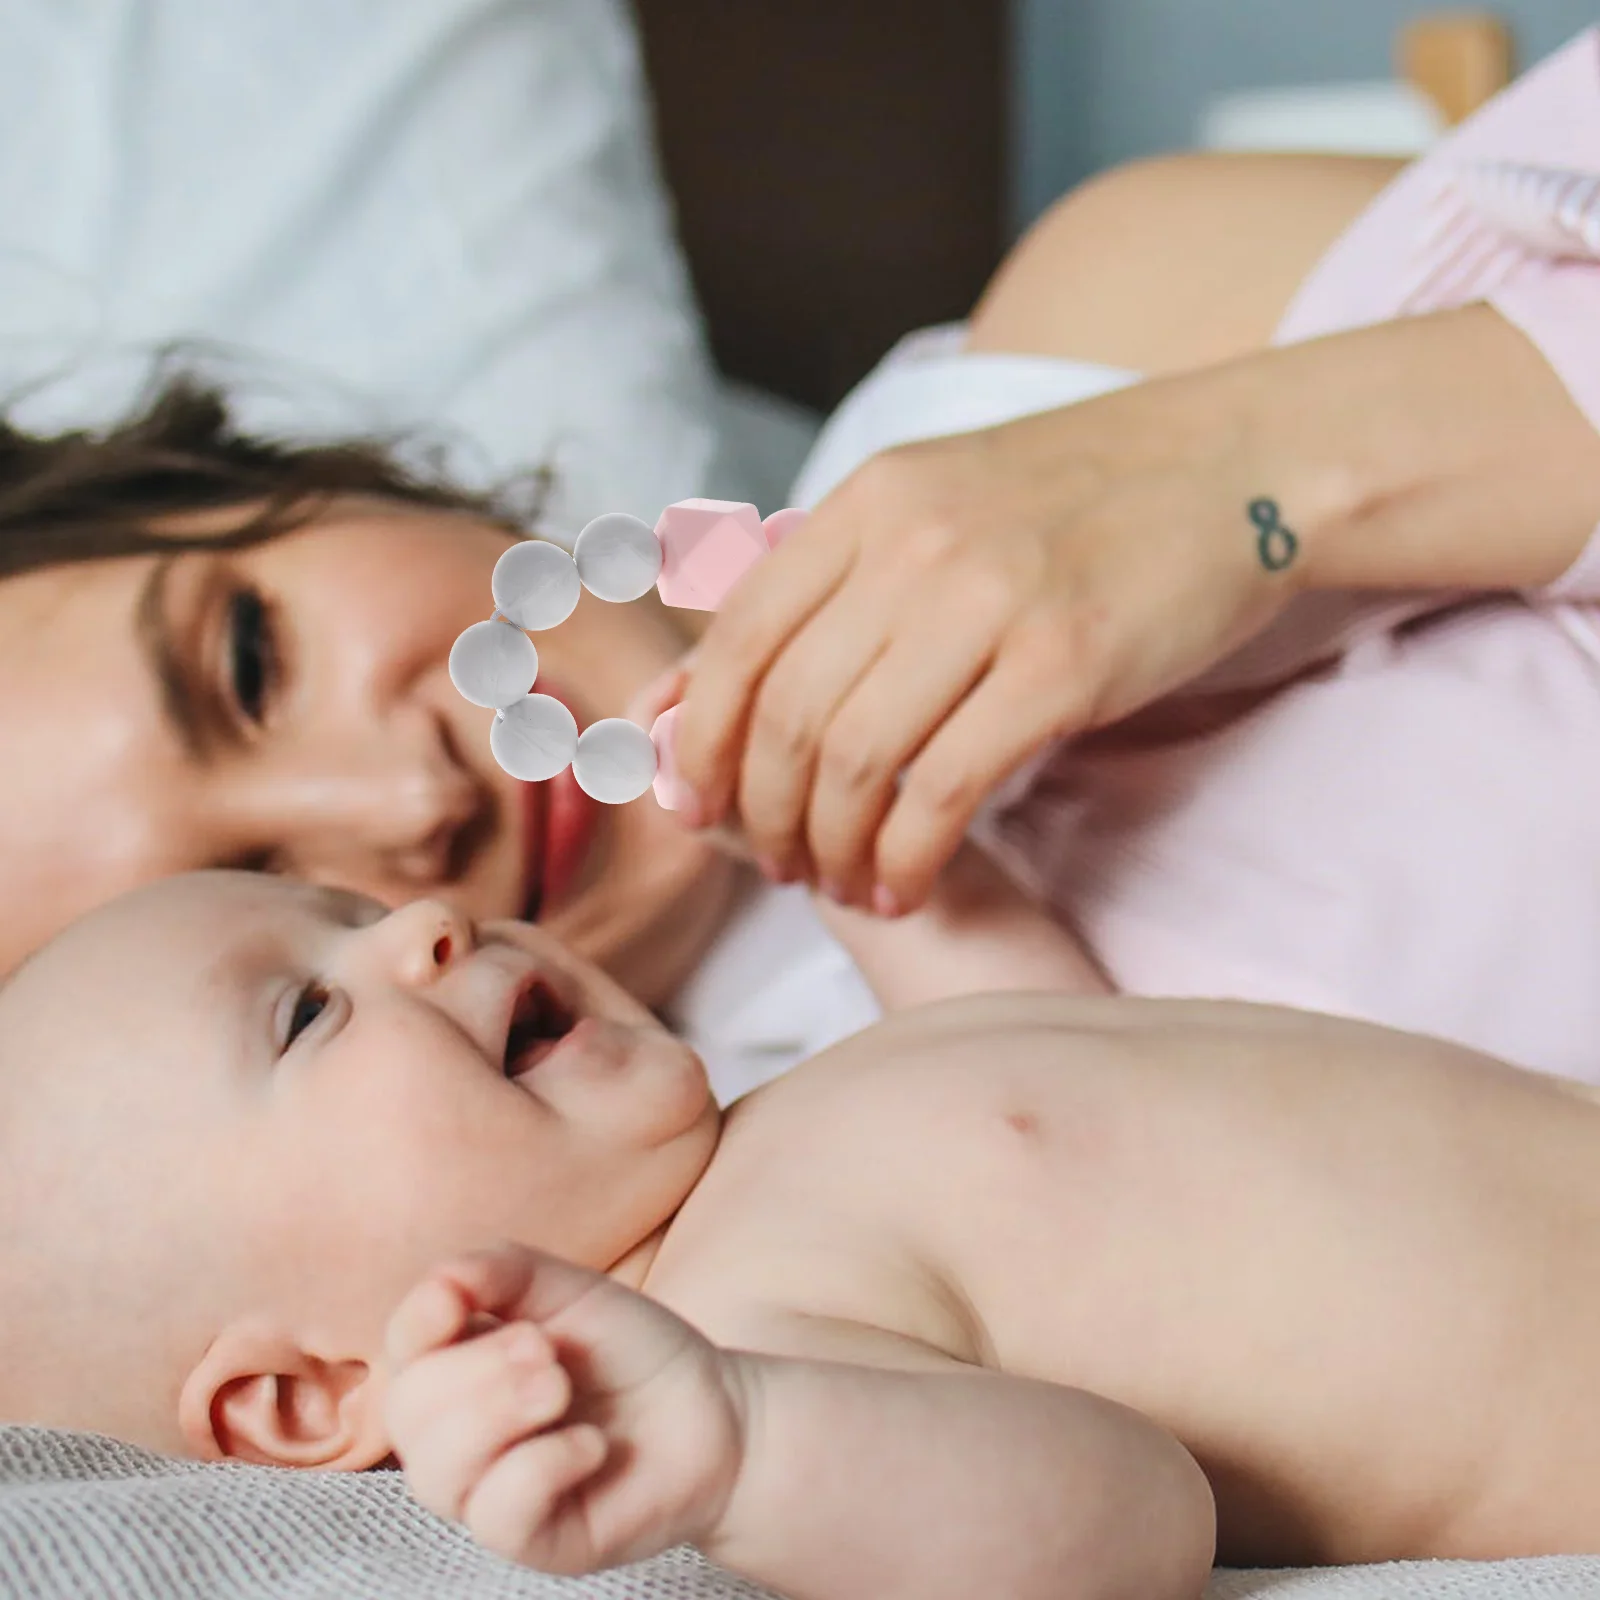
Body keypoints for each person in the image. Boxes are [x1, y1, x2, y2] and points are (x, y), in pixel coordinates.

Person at [5, 32, 1600, 1097]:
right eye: (252, 908)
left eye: (249, 664)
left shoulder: (1088, 335)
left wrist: (1243, 478)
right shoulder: (800, 1281)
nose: (411, 811)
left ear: (308, 489)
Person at [5, 870, 1600, 1593]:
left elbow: (1055, 1045)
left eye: (348, 914)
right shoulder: (737, 1330)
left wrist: (884, 880)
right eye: (305, 1010)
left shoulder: (784, 1112)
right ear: (302, 1401)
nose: (422, 922)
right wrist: (745, 1450)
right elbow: (1125, 1520)